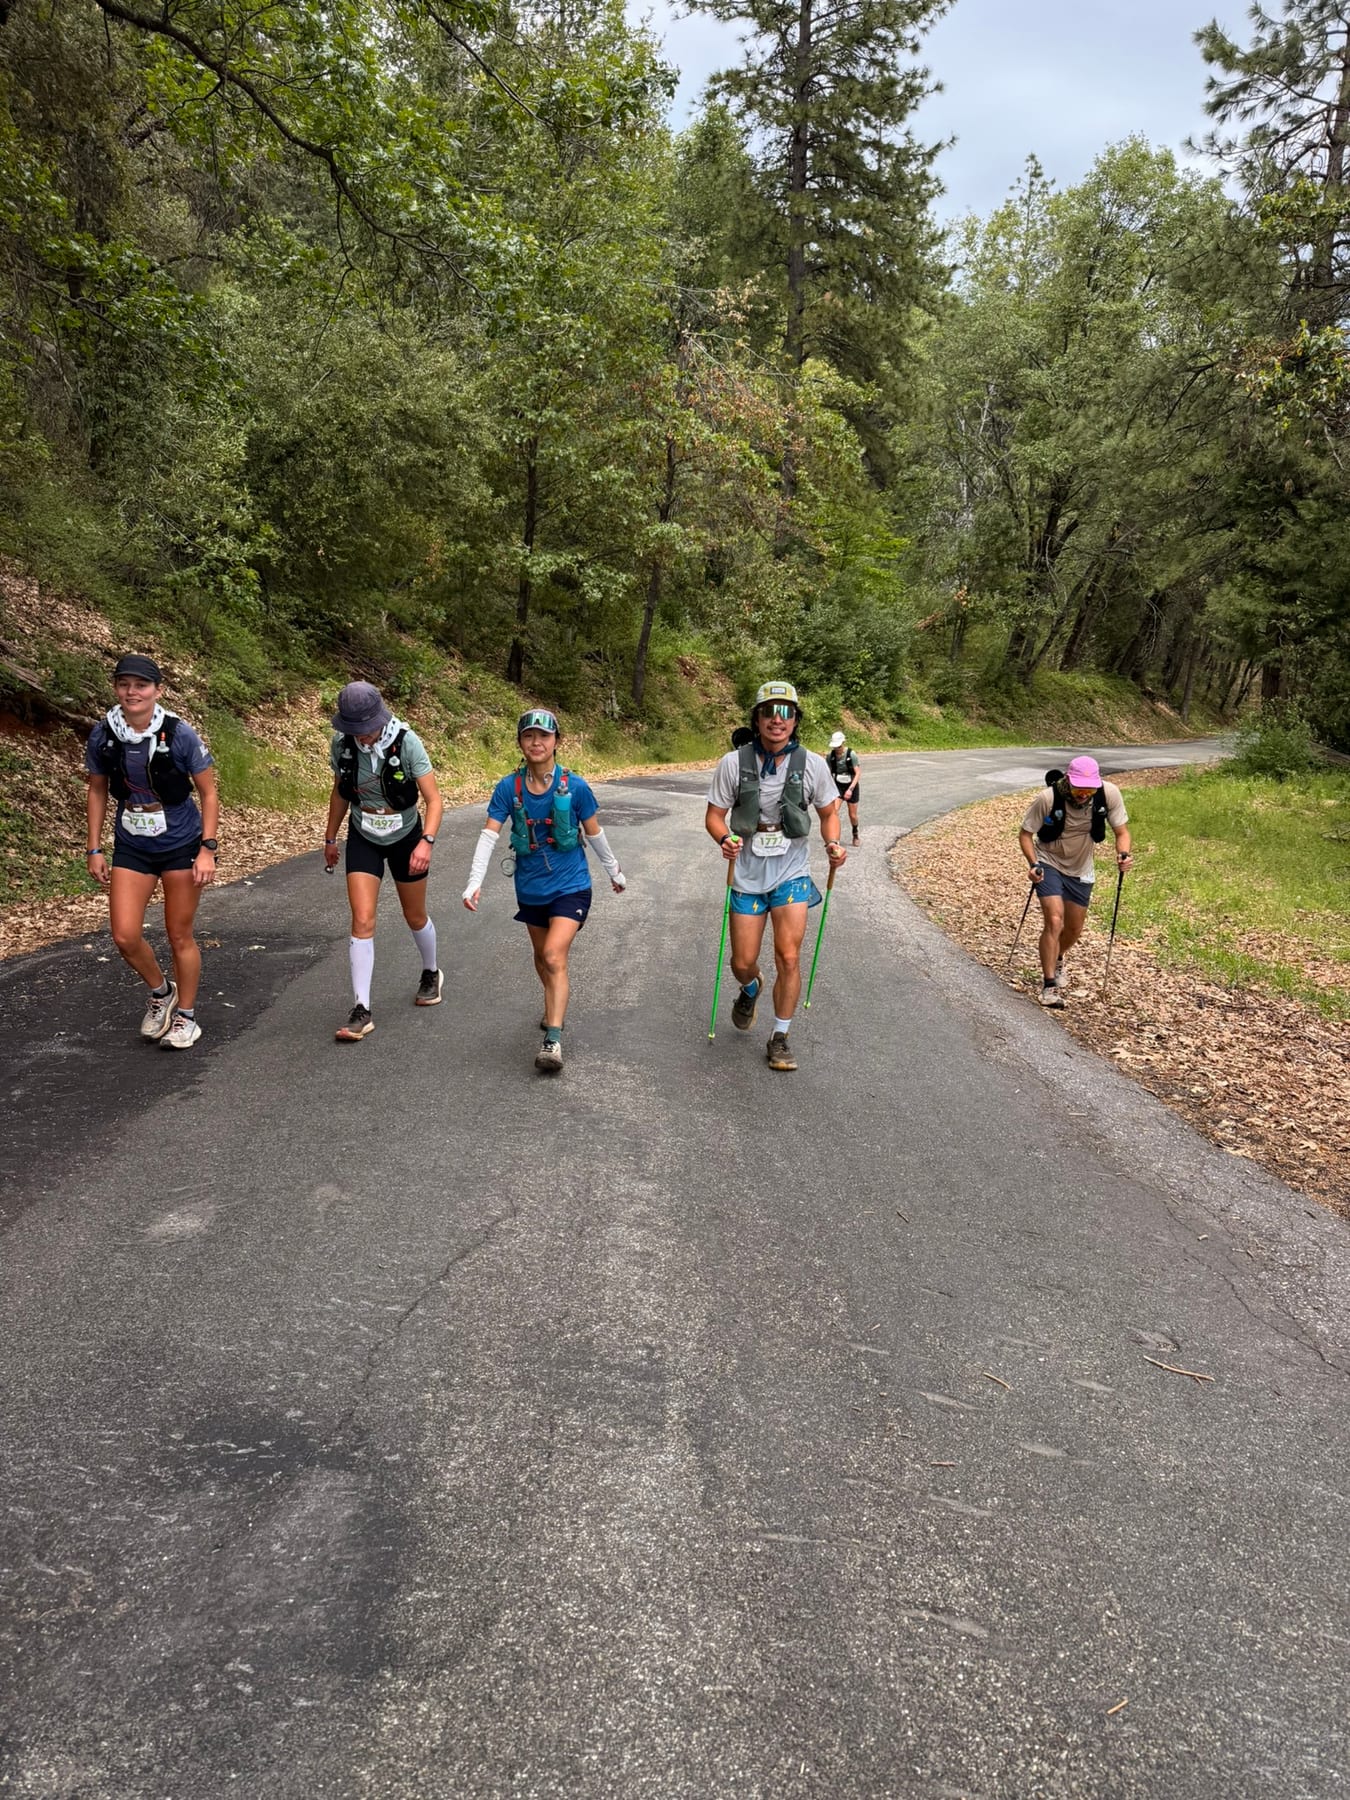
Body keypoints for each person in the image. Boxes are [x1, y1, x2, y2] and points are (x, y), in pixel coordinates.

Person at [461, 708, 626, 1072]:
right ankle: (555, 1001)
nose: (537, 743)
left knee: (553, 955)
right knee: (542, 958)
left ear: (556, 742)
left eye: (544, 736)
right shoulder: (508, 787)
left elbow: (594, 832)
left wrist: (614, 871)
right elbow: (489, 836)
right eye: (529, 736)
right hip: (531, 887)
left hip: (572, 885)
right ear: (520, 742)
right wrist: (474, 881)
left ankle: (553, 1039)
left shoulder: (576, 787)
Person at [705, 680, 846, 1071]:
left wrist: (833, 844)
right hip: (747, 873)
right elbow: (715, 816)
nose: (776, 720)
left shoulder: (815, 765)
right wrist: (725, 838)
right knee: (742, 961)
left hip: (792, 873)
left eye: (786, 713)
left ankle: (780, 1036)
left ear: (796, 720)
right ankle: (750, 987)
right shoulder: (732, 764)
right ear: (757, 718)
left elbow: (829, 813)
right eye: (769, 712)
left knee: (788, 955)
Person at [84, 653, 219, 1050]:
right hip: (133, 844)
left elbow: (209, 792)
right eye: (124, 684)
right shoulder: (103, 733)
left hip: (181, 844)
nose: (132, 692)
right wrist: (94, 847)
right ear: (116, 688)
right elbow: (96, 788)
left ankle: (187, 1017)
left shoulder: (179, 734)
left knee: (179, 934)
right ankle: (162, 992)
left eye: (141, 685)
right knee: (125, 936)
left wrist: (207, 849)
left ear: (158, 691)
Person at [323, 681, 445, 1042]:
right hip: (364, 834)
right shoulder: (342, 744)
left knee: (414, 915)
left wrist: (426, 843)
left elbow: (434, 800)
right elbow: (340, 791)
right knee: (362, 918)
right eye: (354, 730)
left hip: (407, 835)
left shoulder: (407, 742)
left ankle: (431, 972)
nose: (362, 737)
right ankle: (361, 1008)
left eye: (366, 729)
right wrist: (330, 837)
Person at [1018, 754, 1132, 1007]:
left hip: (1081, 868)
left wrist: (1123, 854)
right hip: (1049, 862)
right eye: (1079, 788)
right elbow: (1025, 835)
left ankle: (1057, 955)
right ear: (1069, 780)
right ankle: (1049, 987)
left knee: (1073, 929)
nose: (1083, 794)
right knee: (1054, 920)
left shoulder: (1109, 794)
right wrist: (1033, 863)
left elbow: (1122, 832)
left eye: (1089, 789)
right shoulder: (1048, 798)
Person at [827, 729, 861, 843]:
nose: (837, 749)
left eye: (839, 746)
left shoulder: (851, 754)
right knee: (833, 811)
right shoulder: (830, 756)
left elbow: (858, 773)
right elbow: (828, 773)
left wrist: (850, 790)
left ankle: (855, 834)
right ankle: (834, 838)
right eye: (835, 747)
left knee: (852, 815)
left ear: (843, 743)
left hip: (851, 785)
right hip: (838, 786)